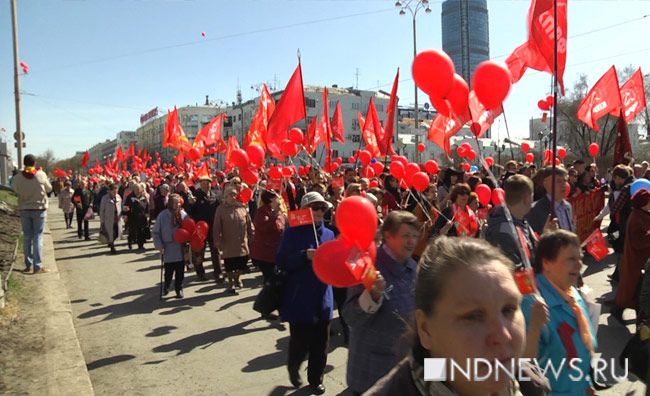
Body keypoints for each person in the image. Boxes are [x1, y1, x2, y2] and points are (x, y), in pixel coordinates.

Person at [366, 237, 532, 395]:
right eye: (473, 316)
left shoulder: (531, 384)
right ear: (426, 330)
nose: (503, 335)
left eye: (509, 309)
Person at [344, 211, 420, 395]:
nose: (412, 242)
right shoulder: (369, 265)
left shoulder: (413, 266)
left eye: (415, 236)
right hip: (373, 373)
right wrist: (372, 296)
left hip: (406, 369)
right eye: (406, 236)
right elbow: (350, 317)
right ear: (388, 236)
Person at [521, 230, 597, 395]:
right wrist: (534, 327)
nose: (579, 265)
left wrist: (587, 383)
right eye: (571, 259)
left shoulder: (572, 293)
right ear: (547, 263)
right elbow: (523, 366)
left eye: (580, 258)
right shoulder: (532, 304)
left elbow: (581, 347)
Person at [276, 192, 335, 394]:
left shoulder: (329, 234)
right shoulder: (292, 233)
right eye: (315, 208)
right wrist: (304, 256)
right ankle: (294, 365)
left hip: (323, 296)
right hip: (300, 297)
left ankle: (316, 378)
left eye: (322, 208)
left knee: (321, 343)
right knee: (300, 343)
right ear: (305, 211)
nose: (319, 212)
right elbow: (282, 261)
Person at [486, 175, 555, 268]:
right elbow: (517, 269)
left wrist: (546, 236)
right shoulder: (503, 229)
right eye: (532, 196)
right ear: (526, 198)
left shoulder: (521, 221)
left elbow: (532, 253)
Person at [611, 190, 650, 323]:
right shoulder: (637, 217)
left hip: (640, 260)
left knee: (635, 289)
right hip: (637, 260)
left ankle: (631, 312)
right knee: (635, 289)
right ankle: (622, 310)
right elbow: (638, 242)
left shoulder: (642, 215)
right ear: (644, 203)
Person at [13, 154, 52, 274]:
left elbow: (14, 189)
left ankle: (28, 264)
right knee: (37, 237)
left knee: (27, 236)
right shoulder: (40, 174)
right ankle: (37, 266)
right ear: (34, 163)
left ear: (24, 163)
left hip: (24, 209)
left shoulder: (18, 177)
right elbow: (49, 189)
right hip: (39, 209)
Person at [213, 186, 254, 294]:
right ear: (225, 197)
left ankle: (237, 277)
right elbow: (217, 226)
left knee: (243, 264)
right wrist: (216, 240)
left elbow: (249, 222)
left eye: (234, 194)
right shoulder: (220, 209)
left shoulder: (242, 207)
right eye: (230, 195)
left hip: (242, 242)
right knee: (229, 266)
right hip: (228, 243)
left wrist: (252, 234)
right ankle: (231, 283)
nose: (233, 197)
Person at [152, 193, 188, 298]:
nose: (177, 205)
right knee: (168, 271)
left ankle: (179, 288)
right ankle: (166, 286)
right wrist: (159, 245)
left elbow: (188, 227)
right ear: (170, 203)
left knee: (180, 271)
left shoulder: (183, 214)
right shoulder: (163, 215)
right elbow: (156, 232)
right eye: (175, 203)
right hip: (167, 247)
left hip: (180, 247)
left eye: (178, 203)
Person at [190, 175, 222, 282]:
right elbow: (190, 212)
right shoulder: (195, 196)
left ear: (210, 184)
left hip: (213, 228)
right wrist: (191, 204)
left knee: (215, 251)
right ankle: (200, 273)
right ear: (200, 184)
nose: (206, 185)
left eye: (207, 183)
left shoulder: (215, 196)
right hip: (200, 229)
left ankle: (218, 273)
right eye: (203, 183)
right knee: (199, 252)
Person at [250, 189, 286, 284]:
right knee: (270, 280)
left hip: (276, 251)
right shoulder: (262, 212)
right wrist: (275, 215)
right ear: (271, 199)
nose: (279, 199)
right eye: (277, 197)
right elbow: (264, 227)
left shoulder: (278, 211)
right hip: (265, 253)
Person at [526, 166, 575, 235]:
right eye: (558, 181)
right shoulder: (535, 210)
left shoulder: (568, 206)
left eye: (565, 180)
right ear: (545, 183)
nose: (563, 185)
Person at [123, 183, 149, 250]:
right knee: (132, 231)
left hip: (142, 217)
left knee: (141, 231)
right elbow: (126, 206)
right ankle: (130, 242)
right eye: (136, 189)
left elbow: (147, 205)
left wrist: (147, 213)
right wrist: (125, 214)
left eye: (138, 189)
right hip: (132, 217)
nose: (137, 190)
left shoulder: (143, 196)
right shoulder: (130, 197)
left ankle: (141, 245)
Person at [99, 183, 123, 255]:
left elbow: (121, 206)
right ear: (110, 191)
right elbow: (102, 210)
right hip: (108, 218)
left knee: (116, 233)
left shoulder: (118, 197)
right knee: (110, 232)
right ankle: (112, 246)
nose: (115, 192)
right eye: (114, 191)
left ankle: (111, 242)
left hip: (117, 218)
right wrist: (102, 221)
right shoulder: (105, 198)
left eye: (116, 191)